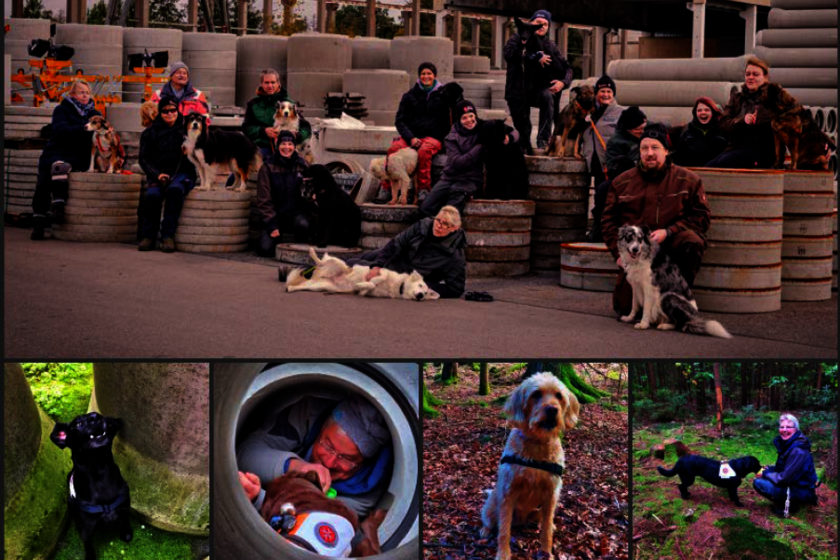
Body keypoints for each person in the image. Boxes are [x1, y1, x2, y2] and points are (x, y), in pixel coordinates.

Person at [602, 123, 711, 315]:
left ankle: (678, 298)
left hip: (671, 250)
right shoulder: (622, 183)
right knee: (625, 310)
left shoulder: (689, 180)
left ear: (666, 151)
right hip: (638, 256)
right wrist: (618, 254)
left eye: (655, 147)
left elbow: (701, 217)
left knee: (692, 241)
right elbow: (608, 222)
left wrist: (669, 232)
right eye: (644, 148)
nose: (649, 153)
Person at [237, 395, 392, 520]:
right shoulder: (306, 417)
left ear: (364, 463)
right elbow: (243, 454)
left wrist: (258, 498)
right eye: (328, 445)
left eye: (346, 458)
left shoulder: (366, 491)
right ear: (323, 427)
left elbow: (308, 529)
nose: (329, 463)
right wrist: (295, 467)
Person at [31, 79, 101, 240]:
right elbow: (60, 130)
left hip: (79, 155)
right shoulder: (61, 110)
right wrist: (84, 129)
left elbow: (100, 131)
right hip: (56, 150)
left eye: (87, 93)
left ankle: (58, 205)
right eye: (81, 92)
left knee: (59, 167)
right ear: (72, 94)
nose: (85, 96)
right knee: (43, 182)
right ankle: (39, 222)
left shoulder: (94, 114)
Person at [347, 205, 467, 299]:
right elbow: (395, 243)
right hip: (397, 256)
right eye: (438, 220)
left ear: (454, 228)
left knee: (352, 263)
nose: (439, 226)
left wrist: (422, 285)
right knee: (370, 256)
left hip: (399, 275)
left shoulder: (455, 255)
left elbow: (455, 289)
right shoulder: (422, 226)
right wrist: (377, 266)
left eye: (445, 224)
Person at [706, 57, 797, 169]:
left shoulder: (775, 98)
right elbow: (723, 123)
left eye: (755, 74)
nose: (750, 77)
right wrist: (742, 121)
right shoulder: (737, 98)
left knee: (725, 162)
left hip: (764, 151)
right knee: (707, 168)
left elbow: (795, 123)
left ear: (765, 77)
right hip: (735, 148)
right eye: (748, 74)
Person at [503, 9, 573, 151]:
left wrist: (563, 82)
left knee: (547, 97)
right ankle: (524, 147)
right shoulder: (516, 39)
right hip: (517, 91)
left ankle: (543, 141)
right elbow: (509, 54)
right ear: (531, 23)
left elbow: (568, 68)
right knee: (523, 130)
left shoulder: (550, 45)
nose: (542, 26)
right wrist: (534, 56)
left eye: (545, 24)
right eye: (538, 22)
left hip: (536, 90)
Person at [137, 95, 197, 252]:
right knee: (153, 197)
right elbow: (144, 159)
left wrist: (191, 152)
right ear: (160, 112)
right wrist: (157, 175)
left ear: (177, 110)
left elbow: (203, 152)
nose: (170, 114)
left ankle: (167, 236)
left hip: (183, 172)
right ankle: (149, 236)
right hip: (158, 173)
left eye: (173, 110)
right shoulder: (149, 133)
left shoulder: (188, 129)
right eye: (165, 111)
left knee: (174, 191)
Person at [387, 62, 454, 201]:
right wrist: (410, 137)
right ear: (419, 76)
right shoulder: (409, 96)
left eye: (429, 73)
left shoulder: (443, 96)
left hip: (432, 137)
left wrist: (441, 137)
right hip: (411, 137)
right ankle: (387, 188)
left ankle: (424, 189)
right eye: (423, 74)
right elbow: (399, 121)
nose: (426, 76)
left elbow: (449, 120)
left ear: (435, 76)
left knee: (424, 151)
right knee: (393, 149)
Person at [420, 100, 491, 218]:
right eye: (464, 118)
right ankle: (430, 227)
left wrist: (508, 137)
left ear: (475, 115)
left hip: (471, 180)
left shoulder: (483, 127)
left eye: (471, 116)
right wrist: (479, 147)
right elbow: (457, 163)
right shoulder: (451, 137)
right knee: (425, 208)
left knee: (455, 194)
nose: (469, 120)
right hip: (449, 178)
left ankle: (449, 226)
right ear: (459, 119)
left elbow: (513, 132)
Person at [587, 106, 646, 242]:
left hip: (647, 176)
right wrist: (631, 161)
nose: (642, 131)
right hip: (624, 177)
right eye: (639, 129)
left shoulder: (646, 134)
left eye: (644, 127)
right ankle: (600, 227)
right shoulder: (616, 142)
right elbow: (613, 168)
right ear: (628, 128)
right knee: (603, 189)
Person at [255, 129, 313, 257]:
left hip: (297, 215)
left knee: (304, 224)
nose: (287, 147)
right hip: (276, 216)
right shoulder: (267, 167)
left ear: (294, 146)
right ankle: (277, 239)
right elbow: (263, 200)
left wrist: (312, 196)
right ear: (277, 145)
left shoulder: (303, 165)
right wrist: (272, 224)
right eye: (283, 144)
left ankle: (300, 246)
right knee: (265, 249)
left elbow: (311, 191)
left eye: (290, 144)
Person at [753, 414, 818, 517]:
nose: (784, 430)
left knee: (759, 483)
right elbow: (784, 467)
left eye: (788, 427)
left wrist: (765, 473)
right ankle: (789, 500)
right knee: (766, 475)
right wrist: (770, 469)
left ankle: (791, 505)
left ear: (796, 429)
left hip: (801, 490)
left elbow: (785, 478)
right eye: (782, 427)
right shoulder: (789, 444)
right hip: (796, 485)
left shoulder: (798, 450)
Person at [242, 68, 312, 160]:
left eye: (273, 82)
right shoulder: (253, 104)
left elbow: (307, 129)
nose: (270, 86)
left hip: (287, 149)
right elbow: (246, 128)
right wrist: (263, 131)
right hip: (263, 148)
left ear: (278, 83)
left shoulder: (289, 104)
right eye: (267, 82)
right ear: (261, 84)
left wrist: (296, 135)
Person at [581, 75, 624, 189]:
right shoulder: (588, 112)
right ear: (596, 94)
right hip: (592, 160)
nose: (606, 94)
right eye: (602, 91)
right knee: (598, 192)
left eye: (609, 91)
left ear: (613, 94)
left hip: (611, 162)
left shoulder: (621, 112)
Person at [672, 96, 727, 168]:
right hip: (692, 172)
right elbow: (679, 157)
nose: (703, 112)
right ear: (695, 113)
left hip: (716, 172)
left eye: (707, 110)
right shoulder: (686, 132)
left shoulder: (722, 130)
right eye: (699, 110)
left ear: (713, 112)